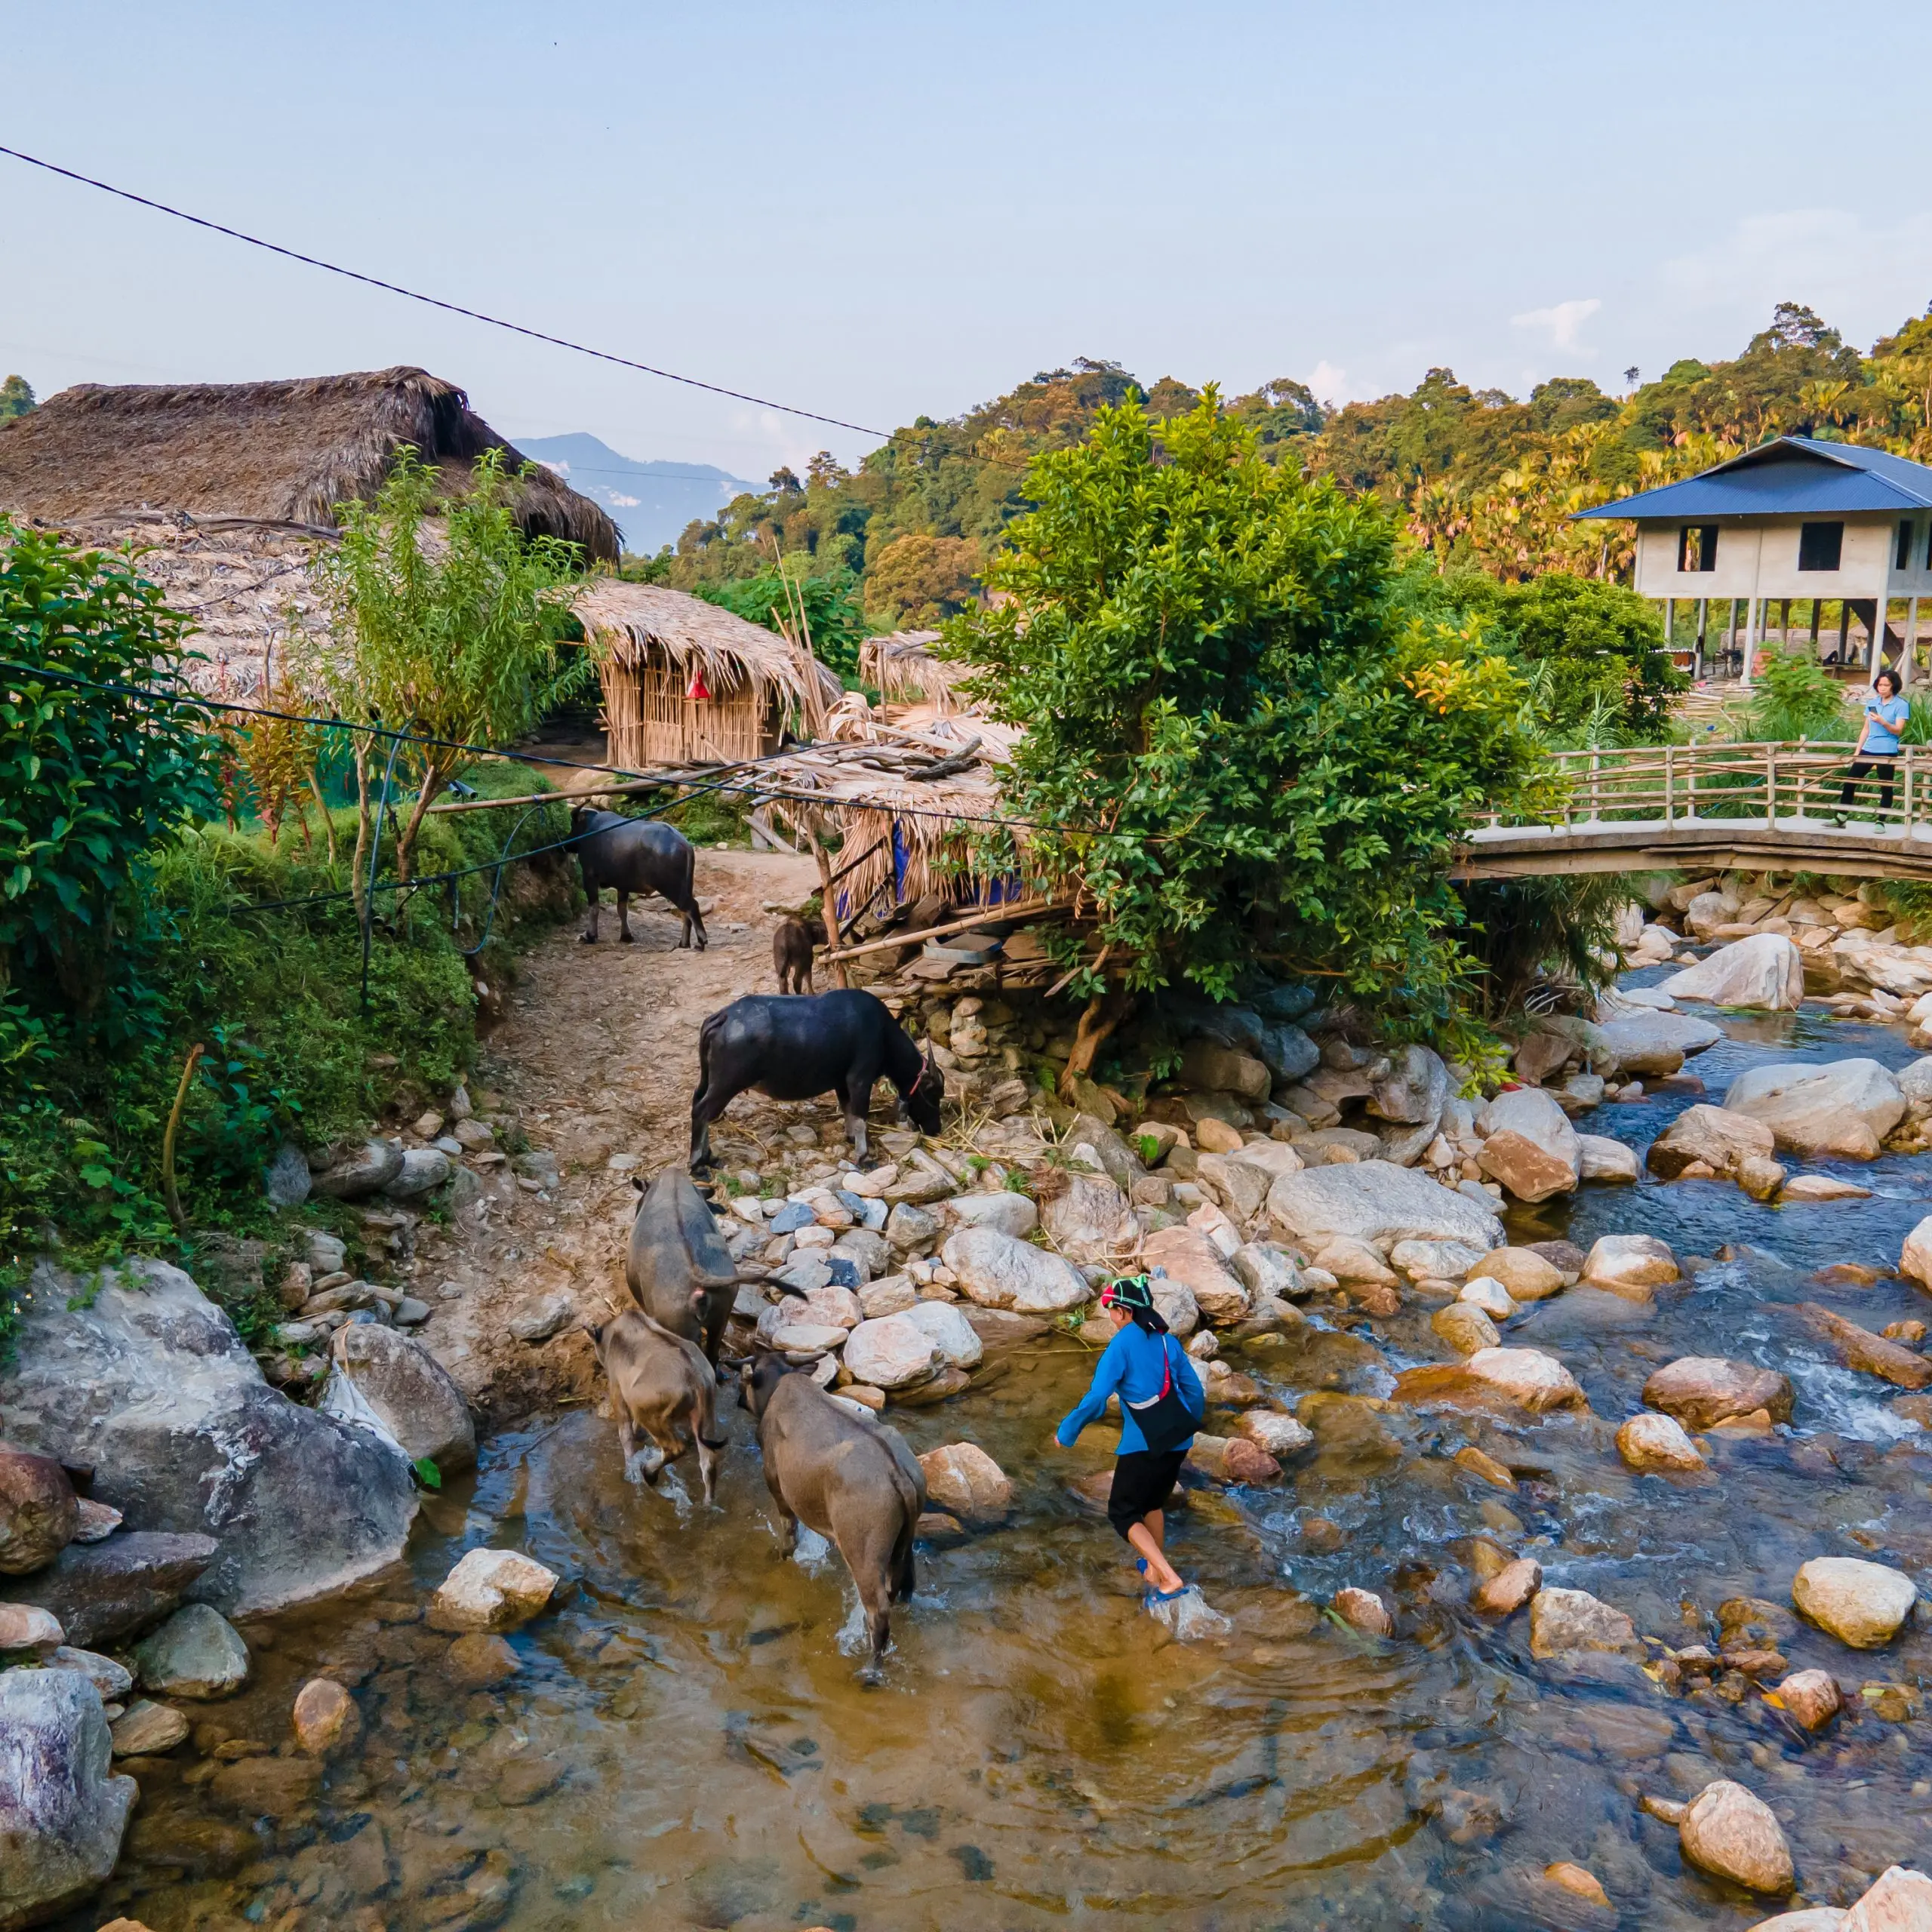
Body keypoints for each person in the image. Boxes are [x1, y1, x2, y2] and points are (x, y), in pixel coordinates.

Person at [1054, 1272, 1204, 1606]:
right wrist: (1187, 1424)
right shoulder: (1168, 1340)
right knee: (1152, 1503)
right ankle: (1152, 1571)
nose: (1110, 1316)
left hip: (1144, 1445)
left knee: (1122, 1513)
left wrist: (1067, 1432)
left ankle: (1168, 1577)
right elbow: (1194, 1391)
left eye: (1111, 1309)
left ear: (1123, 1311)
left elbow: (1096, 1399)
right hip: (1177, 1441)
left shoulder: (1119, 1347)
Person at [1839, 669, 1909, 820]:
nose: (1882, 688)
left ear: (1894, 686)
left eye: (1886, 685)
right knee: (1851, 781)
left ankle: (1881, 821)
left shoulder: (1901, 705)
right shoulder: (1872, 703)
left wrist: (1883, 722)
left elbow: (1898, 731)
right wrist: (1858, 751)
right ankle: (1841, 816)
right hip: (1868, 749)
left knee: (1886, 786)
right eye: (1880, 684)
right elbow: (1866, 729)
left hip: (1887, 750)